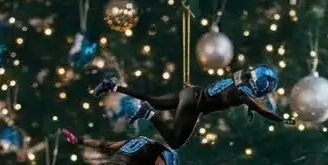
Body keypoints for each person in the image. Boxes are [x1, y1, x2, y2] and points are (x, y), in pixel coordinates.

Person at [92, 66, 283, 149]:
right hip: (193, 105)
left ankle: (112, 85)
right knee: (175, 142)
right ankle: (148, 114)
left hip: (190, 93)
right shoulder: (243, 92)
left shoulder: (240, 77)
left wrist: (251, 107)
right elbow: (260, 108)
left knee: (154, 100)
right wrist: (282, 119)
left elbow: (246, 100)